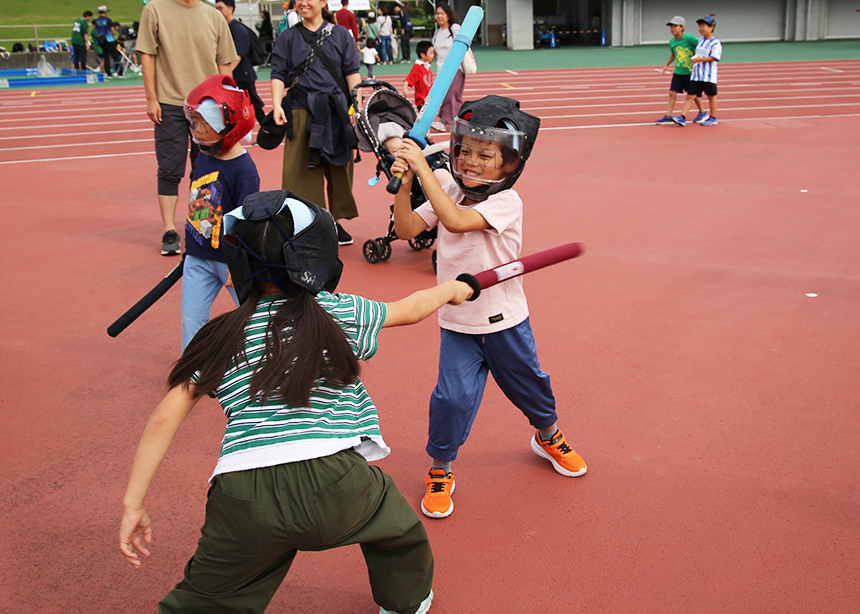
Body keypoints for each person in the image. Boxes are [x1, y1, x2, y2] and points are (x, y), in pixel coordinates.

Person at [119, 188, 474, 613]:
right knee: (398, 532)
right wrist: (453, 288)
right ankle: (405, 603)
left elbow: (164, 418)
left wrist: (133, 503)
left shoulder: (219, 335)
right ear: (316, 256)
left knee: (206, 599)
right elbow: (412, 309)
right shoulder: (335, 311)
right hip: (336, 480)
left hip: (242, 491)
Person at [391, 95, 587, 519]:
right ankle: (440, 468)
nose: (472, 162)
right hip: (458, 321)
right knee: (451, 399)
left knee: (529, 385)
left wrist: (423, 168)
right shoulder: (446, 187)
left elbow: (457, 221)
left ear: (510, 165)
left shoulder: (506, 202)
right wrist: (407, 182)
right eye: (465, 151)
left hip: (505, 322)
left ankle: (547, 435)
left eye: (486, 156)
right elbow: (407, 228)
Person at [136, 0, 237, 256]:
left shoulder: (213, 16)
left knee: (206, 169)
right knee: (170, 168)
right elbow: (147, 55)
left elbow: (225, 64)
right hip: (170, 102)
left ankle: (199, 224)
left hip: (208, 105)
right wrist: (151, 98)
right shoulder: (155, 10)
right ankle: (170, 231)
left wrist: (229, 103)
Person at [270, 0, 362, 246]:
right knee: (300, 171)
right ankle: (308, 224)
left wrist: (357, 106)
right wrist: (277, 104)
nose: (302, 2)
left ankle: (334, 222)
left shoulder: (341, 35)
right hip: (301, 109)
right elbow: (278, 73)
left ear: (323, 2)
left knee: (338, 167)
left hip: (336, 110)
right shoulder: (288, 37)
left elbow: (352, 72)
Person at [180, 74, 259, 351]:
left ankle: (267, 362)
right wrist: (190, 244)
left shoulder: (244, 170)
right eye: (194, 123)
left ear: (229, 126)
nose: (198, 130)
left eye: (205, 124)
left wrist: (239, 264)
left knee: (253, 317)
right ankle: (191, 368)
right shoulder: (203, 155)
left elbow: (245, 220)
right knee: (192, 320)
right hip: (197, 257)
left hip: (229, 260)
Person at [215, 0, 267, 124]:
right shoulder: (225, 27)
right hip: (235, 74)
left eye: (221, 8)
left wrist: (226, 74)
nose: (218, 11)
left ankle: (268, 129)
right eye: (216, 8)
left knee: (253, 105)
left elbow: (239, 55)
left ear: (231, 8)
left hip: (242, 75)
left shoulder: (238, 29)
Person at [655, 16, 705, 125]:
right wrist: (667, 64)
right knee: (672, 93)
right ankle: (669, 116)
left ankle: (702, 112)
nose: (672, 29)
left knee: (693, 95)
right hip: (678, 71)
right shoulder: (672, 41)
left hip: (690, 72)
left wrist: (700, 58)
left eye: (675, 26)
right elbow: (674, 54)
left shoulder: (689, 38)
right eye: (671, 27)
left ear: (682, 27)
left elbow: (702, 45)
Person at [674, 16, 721, 127]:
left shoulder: (715, 43)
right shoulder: (700, 41)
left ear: (711, 27)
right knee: (690, 96)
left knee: (711, 96)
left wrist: (701, 59)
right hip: (696, 75)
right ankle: (682, 117)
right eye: (700, 26)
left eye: (703, 26)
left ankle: (713, 117)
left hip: (708, 75)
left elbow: (715, 58)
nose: (701, 28)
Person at [430, 3, 464, 132]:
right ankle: (461, 121)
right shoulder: (437, 32)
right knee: (446, 96)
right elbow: (435, 51)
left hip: (455, 68)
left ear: (448, 15)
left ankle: (444, 121)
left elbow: (463, 44)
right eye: (437, 13)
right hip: (441, 69)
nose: (439, 16)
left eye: (442, 13)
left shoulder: (454, 28)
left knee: (451, 96)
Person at [402, 41, 435, 110]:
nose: (433, 55)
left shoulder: (427, 66)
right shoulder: (418, 67)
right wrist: (405, 87)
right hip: (422, 100)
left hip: (428, 99)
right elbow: (410, 77)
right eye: (430, 53)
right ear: (422, 54)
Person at [93, 6, 121, 78]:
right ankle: (120, 73)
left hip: (102, 40)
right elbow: (112, 29)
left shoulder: (96, 20)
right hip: (109, 39)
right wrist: (113, 36)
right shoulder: (108, 19)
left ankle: (108, 73)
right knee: (115, 56)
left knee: (106, 57)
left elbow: (95, 28)